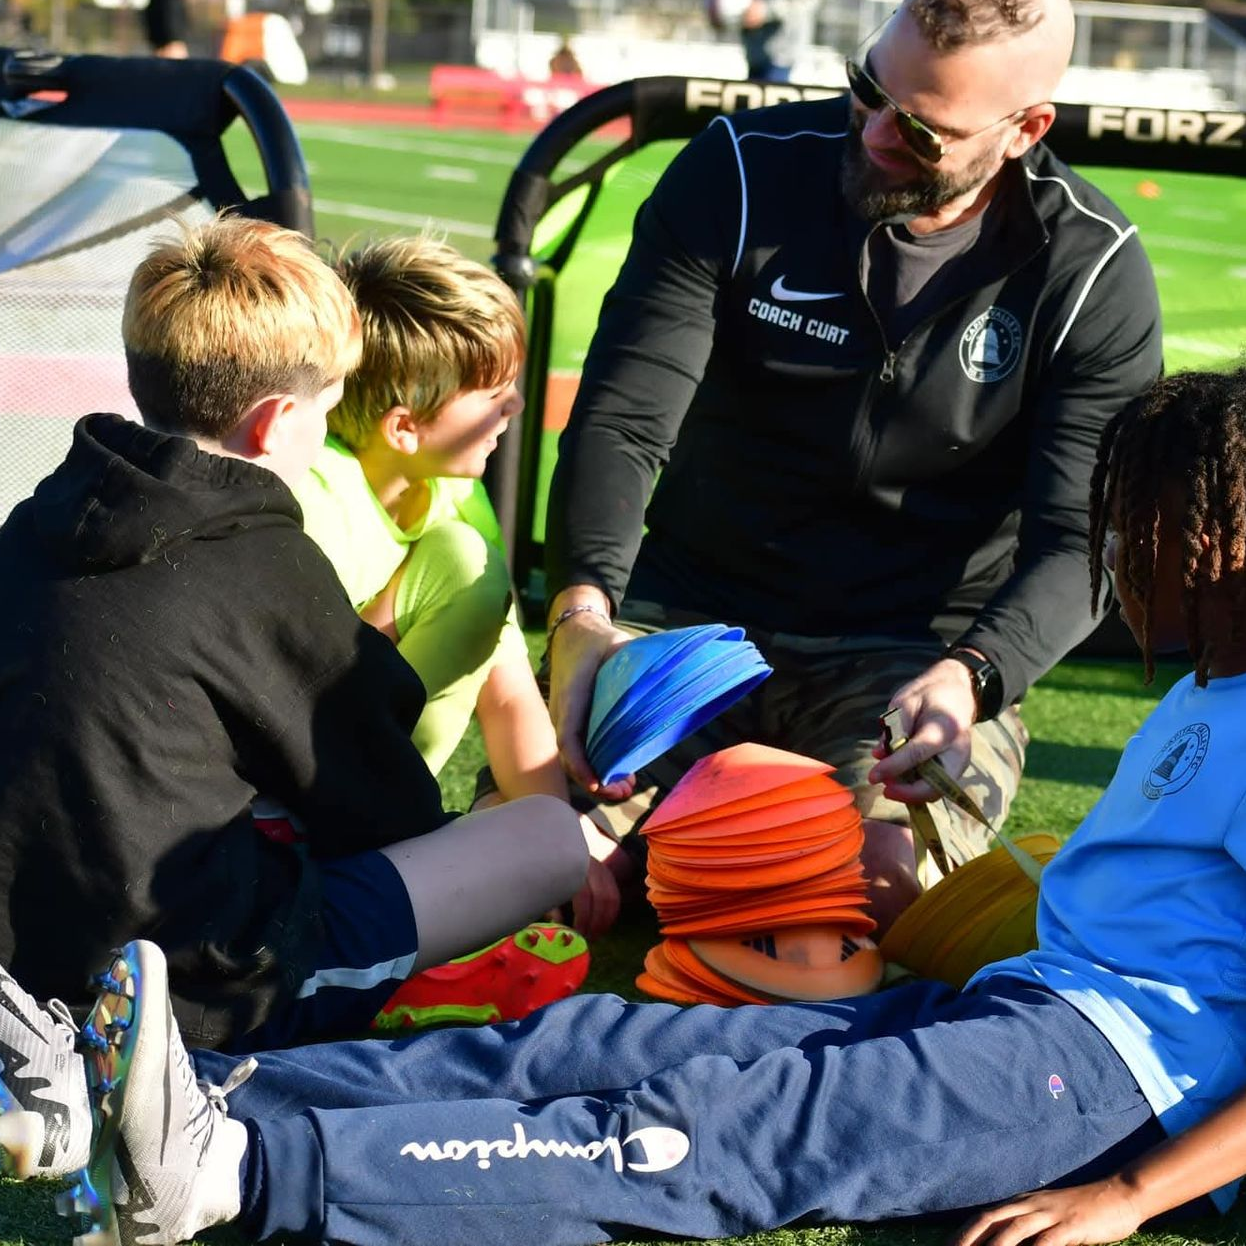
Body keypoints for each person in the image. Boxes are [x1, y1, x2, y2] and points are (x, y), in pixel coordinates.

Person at [5, 364, 1246, 1245]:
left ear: (1223, 547)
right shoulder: (1209, 684)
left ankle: (237, 1167)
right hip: (1024, 1022)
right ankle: (176, 1092)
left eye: (1142, 535)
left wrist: (1132, 1198)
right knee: (590, 1042)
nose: (1117, 563)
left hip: (1105, 1080)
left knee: (703, 1129)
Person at [543, 0, 1163, 934]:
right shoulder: (740, 170)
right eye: (868, 85)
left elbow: (1081, 542)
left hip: (913, 656)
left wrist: (974, 678)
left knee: (859, 902)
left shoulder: (1091, 268)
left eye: (921, 127)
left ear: (1025, 129)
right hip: (688, 623)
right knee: (536, 871)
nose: (876, 132)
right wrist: (584, 614)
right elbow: (624, 422)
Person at [0, 215, 588, 1054]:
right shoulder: (262, 558)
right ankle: (389, 993)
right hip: (188, 988)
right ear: (277, 422)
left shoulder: (36, 518)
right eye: (330, 403)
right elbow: (388, 810)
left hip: (22, 959)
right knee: (545, 837)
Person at [295, 235, 625, 937]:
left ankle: (389, 845)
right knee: (459, 565)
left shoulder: (451, 493)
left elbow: (505, 682)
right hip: (276, 797)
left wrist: (557, 839)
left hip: (355, 782)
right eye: (492, 392)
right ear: (405, 428)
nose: (515, 406)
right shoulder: (314, 502)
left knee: (468, 567)